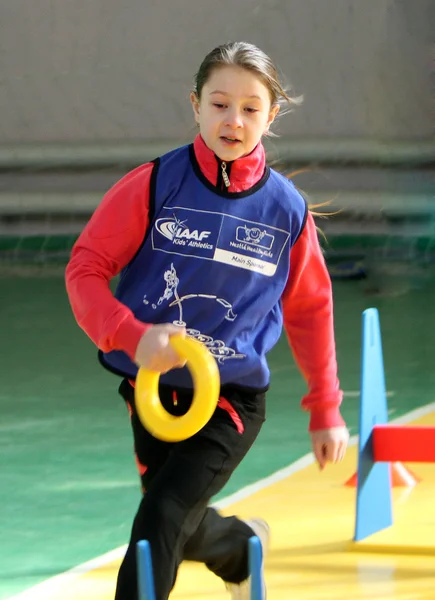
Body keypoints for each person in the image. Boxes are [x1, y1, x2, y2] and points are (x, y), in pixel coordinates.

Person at [65, 41, 349, 600]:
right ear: (195, 105)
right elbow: (85, 269)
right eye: (219, 104)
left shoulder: (286, 210)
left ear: (271, 116)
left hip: (230, 397)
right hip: (152, 386)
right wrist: (132, 337)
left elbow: (311, 306)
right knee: (178, 524)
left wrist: (326, 406)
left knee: (160, 519)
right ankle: (242, 551)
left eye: (250, 108)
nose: (233, 120)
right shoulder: (154, 184)